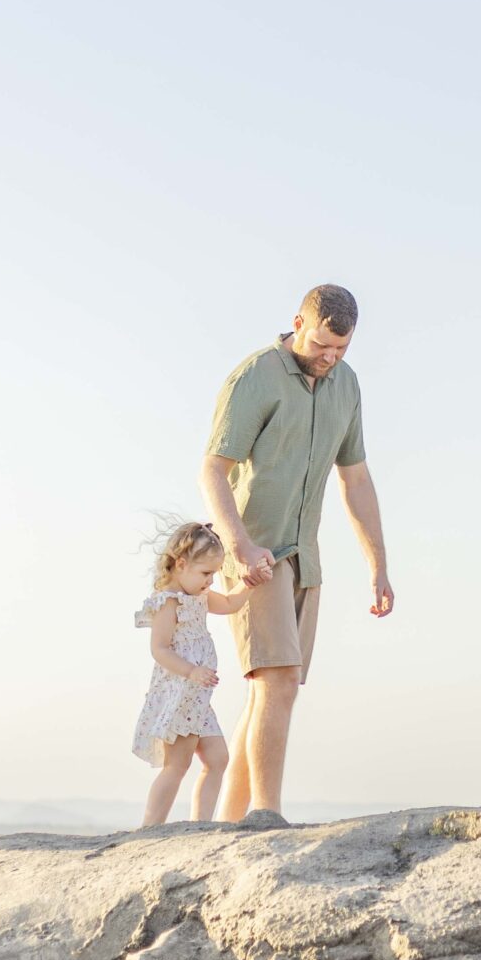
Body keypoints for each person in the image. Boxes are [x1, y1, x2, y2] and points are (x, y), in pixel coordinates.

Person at [199, 284, 393, 821]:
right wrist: (238, 543)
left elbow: (355, 479)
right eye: (320, 345)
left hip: (306, 555)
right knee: (278, 679)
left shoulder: (346, 386)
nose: (328, 358)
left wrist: (377, 564)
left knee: (272, 690)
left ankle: (232, 824)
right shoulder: (255, 376)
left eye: (341, 349)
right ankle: (266, 813)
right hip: (256, 552)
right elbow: (212, 470)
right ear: (297, 323)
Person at [132, 521, 250, 825]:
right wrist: (191, 671)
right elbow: (160, 649)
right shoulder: (168, 602)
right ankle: (150, 826)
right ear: (181, 564)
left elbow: (228, 604)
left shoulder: (198, 595)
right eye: (206, 573)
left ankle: (201, 824)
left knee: (218, 759)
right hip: (180, 693)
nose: (210, 581)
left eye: (214, 574)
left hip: (198, 698)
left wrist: (248, 583)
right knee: (177, 765)